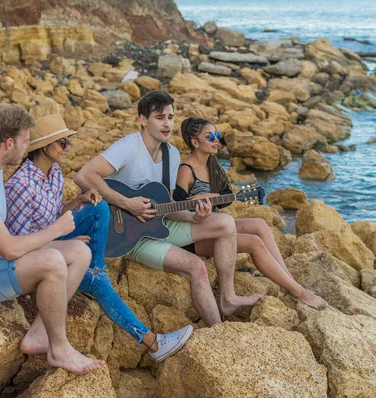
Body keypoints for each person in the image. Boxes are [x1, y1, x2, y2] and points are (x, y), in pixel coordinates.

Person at [5, 114, 192, 362]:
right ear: (44, 147)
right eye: (63, 143)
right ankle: (152, 341)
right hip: (36, 254)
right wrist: (63, 244)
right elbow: (18, 246)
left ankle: (96, 268)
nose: (68, 148)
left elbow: (55, 215)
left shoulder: (54, 173)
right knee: (98, 281)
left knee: (99, 205)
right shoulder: (22, 185)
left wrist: (78, 201)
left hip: (53, 240)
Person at [0, 104, 105, 375]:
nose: (28, 147)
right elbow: (8, 248)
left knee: (79, 253)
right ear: (8, 143)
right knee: (52, 261)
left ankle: (39, 335)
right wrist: (57, 229)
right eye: (26, 140)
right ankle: (60, 350)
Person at [75, 91, 261, 327]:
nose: (167, 124)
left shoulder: (171, 154)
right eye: (160, 117)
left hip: (157, 223)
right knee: (196, 266)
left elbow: (165, 206)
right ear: (143, 120)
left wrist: (195, 216)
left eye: (171, 117)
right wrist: (127, 203)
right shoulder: (129, 147)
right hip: (127, 236)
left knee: (225, 223)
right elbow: (83, 176)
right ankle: (219, 331)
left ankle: (228, 297)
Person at [174, 117, 328, 310]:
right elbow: (177, 208)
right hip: (191, 236)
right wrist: (196, 210)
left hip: (212, 226)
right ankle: (299, 292)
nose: (216, 140)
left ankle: (288, 283)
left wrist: (210, 196)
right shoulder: (185, 170)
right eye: (210, 136)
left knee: (259, 224)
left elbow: (226, 197)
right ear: (195, 142)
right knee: (254, 243)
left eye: (217, 135)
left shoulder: (212, 165)